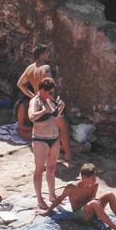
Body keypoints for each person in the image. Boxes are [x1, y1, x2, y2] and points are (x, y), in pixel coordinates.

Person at [26, 79, 68, 211]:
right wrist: (44, 111)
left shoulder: (50, 100)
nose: (51, 94)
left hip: (54, 138)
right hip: (40, 139)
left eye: (52, 92)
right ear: (42, 90)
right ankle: (39, 198)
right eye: (49, 92)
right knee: (39, 169)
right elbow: (32, 116)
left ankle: (52, 194)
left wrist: (60, 108)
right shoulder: (35, 101)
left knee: (51, 168)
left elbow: (55, 116)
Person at [57, 163, 116, 230]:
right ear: (84, 177)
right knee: (94, 203)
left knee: (110, 195)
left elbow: (92, 198)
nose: (95, 179)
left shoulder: (95, 185)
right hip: (80, 215)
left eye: (95, 177)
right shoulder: (71, 187)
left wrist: (94, 200)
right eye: (92, 178)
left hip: (91, 211)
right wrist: (48, 211)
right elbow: (60, 198)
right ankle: (115, 228)